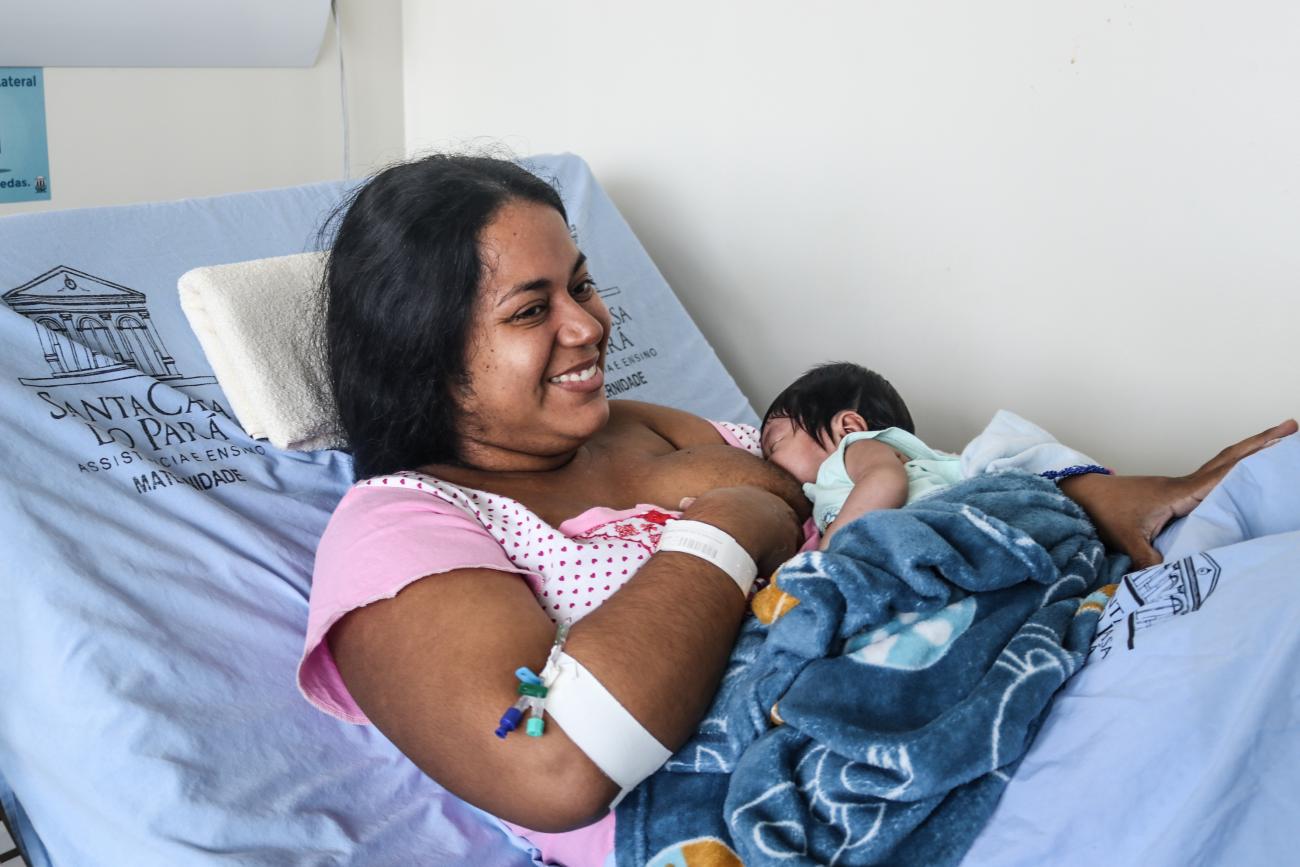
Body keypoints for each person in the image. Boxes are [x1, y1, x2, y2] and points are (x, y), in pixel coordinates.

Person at [297, 153, 1296, 866]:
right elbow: (553, 763)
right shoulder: (397, 526)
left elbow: (867, 491)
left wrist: (1092, 494)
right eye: (531, 309)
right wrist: (734, 520)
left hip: (983, 641)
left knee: (1271, 505)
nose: (589, 324)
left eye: (582, 285)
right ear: (422, 353)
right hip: (845, 774)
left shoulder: (641, 426)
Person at [761, 361, 962, 548]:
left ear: (848, 428)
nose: (767, 463)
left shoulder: (855, 448)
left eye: (775, 443)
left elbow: (885, 481)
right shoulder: (819, 497)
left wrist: (830, 548)